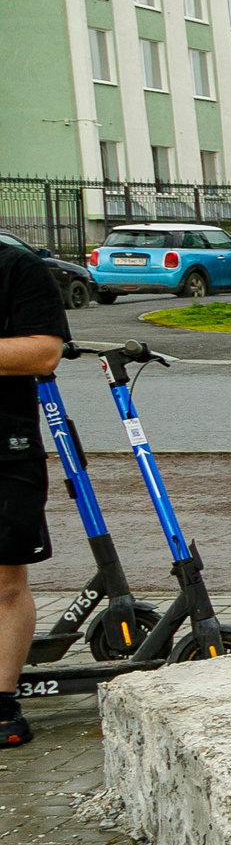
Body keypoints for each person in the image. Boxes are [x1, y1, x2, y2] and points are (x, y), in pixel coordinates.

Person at [0, 242, 67, 748]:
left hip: (4, 445)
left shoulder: (15, 266)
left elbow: (43, 352)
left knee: (4, 581)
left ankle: (0, 699)